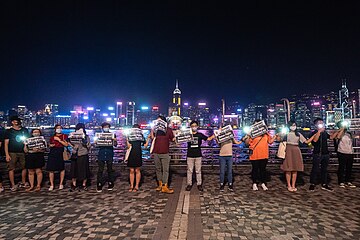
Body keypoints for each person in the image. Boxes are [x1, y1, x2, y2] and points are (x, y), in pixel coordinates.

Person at [279, 122, 314, 192]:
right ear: (288, 126)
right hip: (288, 150)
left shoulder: (298, 134)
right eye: (292, 125)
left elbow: (306, 142)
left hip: (296, 150)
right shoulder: (286, 134)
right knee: (288, 169)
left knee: (295, 168)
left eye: (294, 125)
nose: (293, 126)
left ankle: (293, 185)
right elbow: (279, 139)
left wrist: (313, 137)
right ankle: (289, 185)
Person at [245, 119, 276, 191]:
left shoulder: (266, 134)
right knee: (255, 169)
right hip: (254, 155)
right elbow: (247, 143)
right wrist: (248, 135)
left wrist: (275, 136)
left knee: (263, 170)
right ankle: (254, 183)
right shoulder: (252, 134)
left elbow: (270, 142)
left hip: (264, 154)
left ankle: (263, 183)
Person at [185, 120, 215, 192]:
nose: (194, 127)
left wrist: (216, 134)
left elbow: (208, 139)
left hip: (198, 155)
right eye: (192, 126)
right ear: (190, 127)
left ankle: (199, 184)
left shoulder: (200, 135)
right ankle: (189, 184)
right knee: (189, 171)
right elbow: (179, 140)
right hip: (190, 155)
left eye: (195, 126)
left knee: (198, 171)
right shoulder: (187, 135)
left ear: (197, 126)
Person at [309, 118, 336, 192]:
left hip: (325, 153)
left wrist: (338, 131)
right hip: (317, 153)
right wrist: (319, 132)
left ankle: (324, 183)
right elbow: (314, 141)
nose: (321, 124)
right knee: (315, 169)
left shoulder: (324, 132)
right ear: (316, 125)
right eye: (319, 123)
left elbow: (331, 137)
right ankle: (312, 183)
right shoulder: (313, 133)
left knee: (324, 169)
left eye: (322, 123)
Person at [150, 116, 175, 194]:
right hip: (156, 152)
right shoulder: (155, 130)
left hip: (165, 152)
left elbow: (173, 139)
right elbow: (152, 137)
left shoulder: (169, 130)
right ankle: (160, 185)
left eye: (159, 121)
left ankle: (164, 186)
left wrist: (181, 136)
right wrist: (152, 129)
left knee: (165, 170)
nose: (158, 123)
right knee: (158, 169)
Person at [4, 116, 30, 191]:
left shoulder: (24, 130)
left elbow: (27, 140)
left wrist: (25, 146)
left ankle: (23, 182)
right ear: (12, 122)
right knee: (11, 168)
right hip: (12, 152)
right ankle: (13, 184)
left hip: (22, 152)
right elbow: (6, 143)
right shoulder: (9, 131)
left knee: (24, 167)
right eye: (15, 121)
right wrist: (7, 154)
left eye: (18, 120)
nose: (17, 122)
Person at [333, 121, 358, 188]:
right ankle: (341, 181)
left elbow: (355, 137)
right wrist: (342, 129)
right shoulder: (338, 132)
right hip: (342, 152)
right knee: (342, 167)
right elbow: (338, 137)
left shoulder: (348, 133)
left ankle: (348, 181)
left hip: (350, 152)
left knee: (349, 168)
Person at [126, 124, 149, 192]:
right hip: (131, 153)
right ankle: (131, 185)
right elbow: (128, 146)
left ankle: (136, 186)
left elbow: (144, 145)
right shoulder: (130, 136)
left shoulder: (141, 136)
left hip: (138, 153)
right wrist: (127, 139)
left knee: (137, 170)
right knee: (131, 170)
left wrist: (148, 138)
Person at [69, 123, 91, 191]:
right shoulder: (72, 135)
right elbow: (69, 143)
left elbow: (89, 146)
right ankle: (74, 184)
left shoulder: (86, 136)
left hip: (83, 153)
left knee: (84, 169)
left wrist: (84, 141)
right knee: (74, 170)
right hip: (75, 153)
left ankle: (84, 184)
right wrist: (72, 145)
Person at [96, 122, 117, 192]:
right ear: (102, 128)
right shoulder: (99, 135)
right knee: (100, 170)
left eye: (107, 127)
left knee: (110, 169)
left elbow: (115, 145)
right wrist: (96, 142)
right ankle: (99, 184)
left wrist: (115, 141)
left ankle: (110, 183)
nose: (106, 128)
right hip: (101, 154)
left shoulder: (113, 135)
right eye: (105, 127)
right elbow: (96, 145)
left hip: (109, 153)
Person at [47, 124, 68, 191]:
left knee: (61, 168)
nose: (59, 129)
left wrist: (59, 140)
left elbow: (66, 144)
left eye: (60, 128)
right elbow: (49, 144)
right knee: (51, 169)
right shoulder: (52, 137)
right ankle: (52, 184)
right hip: (52, 152)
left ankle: (61, 183)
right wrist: (50, 145)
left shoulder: (64, 136)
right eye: (57, 128)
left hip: (60, 152)